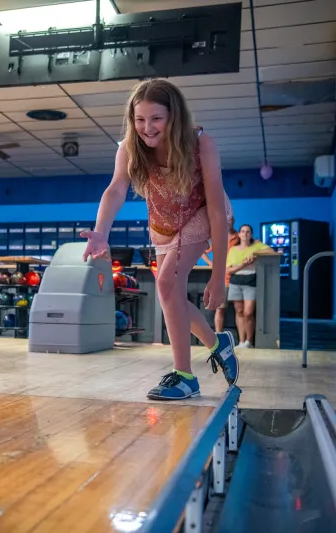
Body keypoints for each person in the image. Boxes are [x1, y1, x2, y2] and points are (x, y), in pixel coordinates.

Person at [82, 79, 238, 401]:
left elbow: (217, 213)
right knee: (170, 293)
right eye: (140, 119)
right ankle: (217, 343)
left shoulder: (201, 143)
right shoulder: (130, 147)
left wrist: (218, 274)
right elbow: (115, 189)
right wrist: (101, 231)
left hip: (203, 213)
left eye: (156, 118)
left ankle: (185, 377)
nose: (147, 128)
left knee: (166, 284)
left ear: (174, 117)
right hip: (165, 221)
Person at [226, 224, 272, 348]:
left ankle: (249, 341)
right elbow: (228, 270)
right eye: (243, 231)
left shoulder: (256, 246)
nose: (245, 234)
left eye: (248, 232)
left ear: (251, 234)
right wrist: (243, 265)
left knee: (248, 312)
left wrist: (256, 252)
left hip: (251, 280)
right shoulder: (233, 250)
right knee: (239, 311)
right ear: (239, 234)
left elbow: (271, 251)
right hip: (235, 281)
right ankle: (241, 341)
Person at [201, 224, 240, 332]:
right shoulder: (217, 236)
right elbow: (202, 250)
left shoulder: (239, 236)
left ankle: (244, 341)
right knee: (220, 309)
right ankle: (219, 336)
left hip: (238, 277)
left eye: (231, 220)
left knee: (240, 310)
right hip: (223, 278)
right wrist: (210, 262)